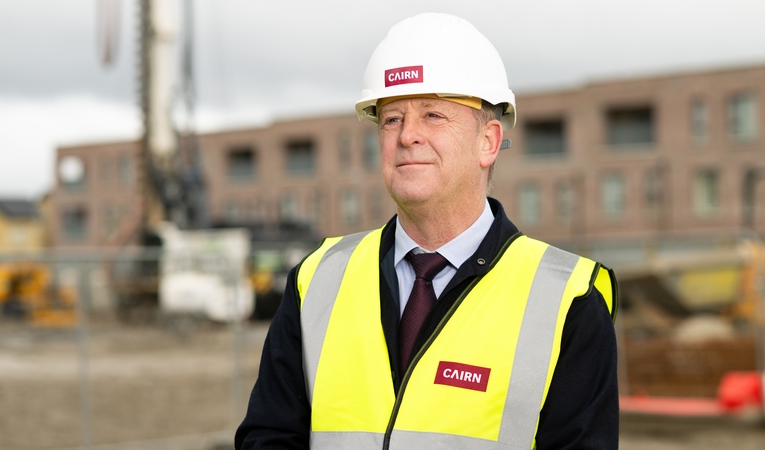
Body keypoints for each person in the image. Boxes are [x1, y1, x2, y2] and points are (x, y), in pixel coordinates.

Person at [236, 12, 618, 450]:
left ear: (488, 142)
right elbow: (268, 437)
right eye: (392, 119)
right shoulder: (316, 281)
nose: (407, 136)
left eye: (433, 114)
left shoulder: (568, 301)